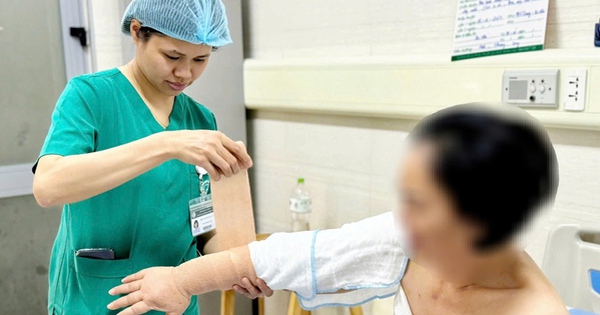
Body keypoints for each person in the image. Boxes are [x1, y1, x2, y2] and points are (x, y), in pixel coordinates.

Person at [107, 104, 569, 315]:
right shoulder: (406, 233)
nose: (403, 220)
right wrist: (180, 281)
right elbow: (302, 252)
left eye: (423, 206)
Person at [32, 0, 262, 314]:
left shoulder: (200, 120)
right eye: (172, 56)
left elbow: (203, 226)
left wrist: (240, 264)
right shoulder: (90, 96)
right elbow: (48, 186)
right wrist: (165, 144)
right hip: (95, 298)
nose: (185, 73)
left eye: (200, 59)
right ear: (138, 33)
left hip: (173, 303)